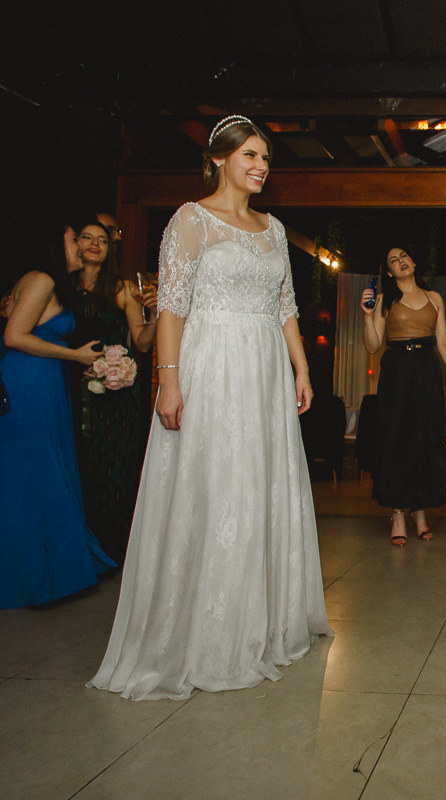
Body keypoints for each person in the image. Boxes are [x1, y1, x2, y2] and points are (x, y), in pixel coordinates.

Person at [89, 115, 331, 700]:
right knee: (216, 486)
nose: (261, 166)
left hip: (265, 370)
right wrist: (167, 382)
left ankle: (264, 616)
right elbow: (170, 310)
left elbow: (284, 308)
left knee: (259, 485)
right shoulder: (190, 220)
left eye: (266, 158)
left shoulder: (273, 229)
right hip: (212, 363)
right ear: (219, 158)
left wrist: (300, 367)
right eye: (250, 154)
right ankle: (205, 630)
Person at [1, 221, 115, 608]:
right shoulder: (42, 278)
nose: (83, 244)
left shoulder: (55, 283)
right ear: (60, 240)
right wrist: (75, 355)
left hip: (46, 382)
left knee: (47, 470)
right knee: (32, 473)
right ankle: (29, 575)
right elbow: (14, 336)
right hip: (27, 384)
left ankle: (51, 568)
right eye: (75, 237)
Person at [361, 247, 446, 546]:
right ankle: (397, 513)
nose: (400, 261)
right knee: (397, 439)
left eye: (404, 255)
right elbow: (372, 346)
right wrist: (368, 317)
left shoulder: (435, 298)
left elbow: (443, 341)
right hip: (397, 369)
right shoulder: (384, 301)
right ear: (390, 272)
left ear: (414, 261)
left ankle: (420, 513)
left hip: (427, 370)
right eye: (393, 261)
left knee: (425, 440)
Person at [70, 218, 157, 564]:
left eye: (102, 241)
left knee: (114, 468)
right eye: (87, 238)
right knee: (79, 465)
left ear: (109, 250)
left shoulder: (121, 289)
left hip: (115, 393)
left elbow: (143, 343)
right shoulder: (61, 288)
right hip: (71, 387)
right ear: (75, 243)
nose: (94, 244)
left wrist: (155, 312)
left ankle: (113, 547)